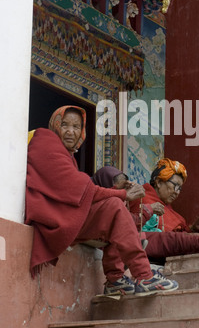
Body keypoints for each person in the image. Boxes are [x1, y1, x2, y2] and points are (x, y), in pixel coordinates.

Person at [25, 106, 179, 296]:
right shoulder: (45, 140)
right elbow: (81, 189)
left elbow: (82, 193)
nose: (70, 131)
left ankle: (115, 279)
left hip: (68, 216)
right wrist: (122, 195)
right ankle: (144, 275)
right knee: (114, 206)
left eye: (76, 126)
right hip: (54, 219)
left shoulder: (68, 156)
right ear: (55, 125)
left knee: (115, 209)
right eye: (64, 125)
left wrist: (121, 195)